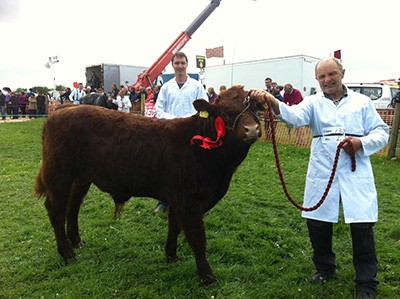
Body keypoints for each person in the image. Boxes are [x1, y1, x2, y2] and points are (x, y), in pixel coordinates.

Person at [251, 58, 389, 299]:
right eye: (322, 76)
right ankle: (325, 267)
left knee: (362, 226)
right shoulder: (312, 103)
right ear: (317, 79)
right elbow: (293, 119)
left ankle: (366, 282)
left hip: (355, 171)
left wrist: (361, 142)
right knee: (318, 224)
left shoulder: (362, 102)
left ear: (342, 73)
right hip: (323, 170)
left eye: (331, 74)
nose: (327, 80)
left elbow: (381, 132)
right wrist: (273, 101)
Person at [153, 51, 207, 213]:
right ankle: (163, 202)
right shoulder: (166, 87)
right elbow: (158, 110)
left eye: (183, 63)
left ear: (187, 65)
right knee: (168, 167)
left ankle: (195, 203)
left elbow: (203, 109)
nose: (180, 66)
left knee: (193, 168)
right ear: (172, 65)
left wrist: (186, 121)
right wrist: (174, 121)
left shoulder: (197, 86)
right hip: (171, 134)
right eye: (177, 63)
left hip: (192, 133)